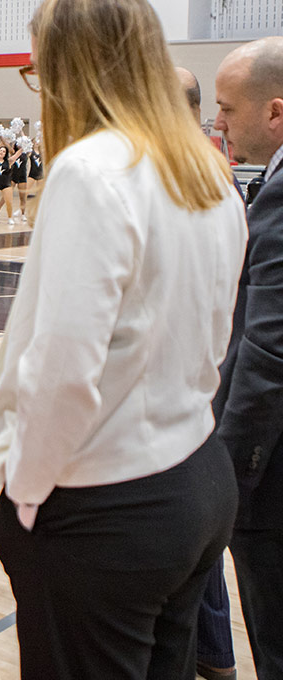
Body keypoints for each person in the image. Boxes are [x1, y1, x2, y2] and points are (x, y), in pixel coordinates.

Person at [0, 1, 247, 677]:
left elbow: (62, 367)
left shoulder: (92, 170)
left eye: (39, 70)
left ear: (76, 68)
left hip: (105, 505)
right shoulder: (209, 167)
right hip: (197, 475)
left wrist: (27, 496)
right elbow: (217, 333)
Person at [213, 35, 283, 680]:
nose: (219, 123)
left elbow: (268, 349)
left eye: (229, 109)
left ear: (275, 111)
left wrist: (233, 467)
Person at [175, 63, 238, 680]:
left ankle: (216, 661)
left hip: (200, 399)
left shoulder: (192, 180)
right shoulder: (215, 176)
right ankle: (214, 660)